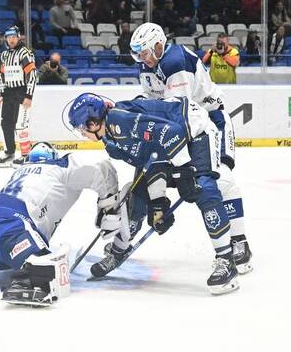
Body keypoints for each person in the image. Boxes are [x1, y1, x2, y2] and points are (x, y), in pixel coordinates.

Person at [67, 93, 239, 295]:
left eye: (82, 128)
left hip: (196, 132)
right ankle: (118, 251)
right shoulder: (112, 143)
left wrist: (183, 172)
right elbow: (152, 158)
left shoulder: (119, 120)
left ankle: (226, 260)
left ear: (94, 123)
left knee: (204, 188)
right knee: (137, 199)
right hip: (168, 144)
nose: (82, 133)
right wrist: (158, 204)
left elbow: (172, 132)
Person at [130, 22, 252, 274]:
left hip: (211, 122)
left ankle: (240, 243)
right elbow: (159, 107)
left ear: (158, 45)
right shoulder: (146, 67)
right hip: (186, 128)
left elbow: (177, 110)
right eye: (138, 54)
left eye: (144, 52)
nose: (141, 59)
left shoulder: (176, 62)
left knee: (222, 181)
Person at [0, 142, 128, 306]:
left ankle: (2, 257)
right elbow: (102, 168)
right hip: (12, 226)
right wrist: (109, 207)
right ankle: (25, 282)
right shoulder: (60, 166)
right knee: (48, 267)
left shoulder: (20, 171)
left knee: (15, 238)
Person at [0, 26, 38, 167]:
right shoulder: (4, 55)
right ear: (6, 38)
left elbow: (33, 75)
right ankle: (10, 152)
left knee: (21, 125)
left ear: (18, 37)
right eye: (8, 37)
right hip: (9, 93)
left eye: (13, 36)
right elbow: (2, 77)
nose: (11, 39)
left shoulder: (25, 53)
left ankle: (25, 155)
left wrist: (29, 96)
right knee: (6, 123)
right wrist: (2, 94)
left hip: (22, 92)